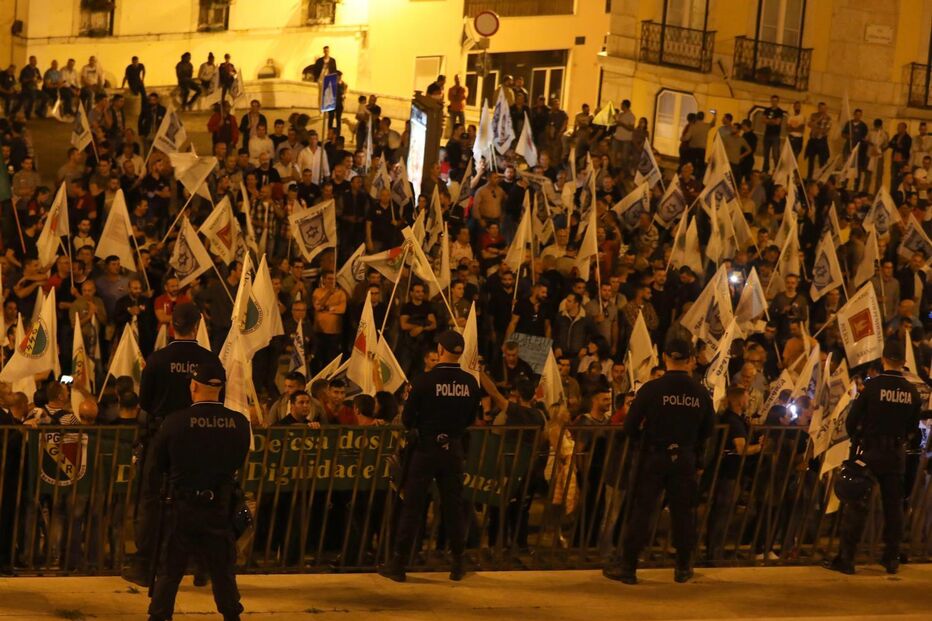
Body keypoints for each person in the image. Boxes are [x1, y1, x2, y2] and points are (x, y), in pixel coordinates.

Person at [125, 303, 223, 586]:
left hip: (164, 437)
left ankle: (145, 566)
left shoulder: (157, 360)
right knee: (203, 501)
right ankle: (202, 563)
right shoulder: (210, 361)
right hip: (202, 437)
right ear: (197, 325)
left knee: (153, 502)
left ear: (172, 326)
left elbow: (145, 403)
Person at [603, 337, 715, 585]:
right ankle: (683, 567)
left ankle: (629, 566)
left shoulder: (651, 390)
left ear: (665, 358)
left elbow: (630, 426)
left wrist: (645, 436)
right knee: (683, 513)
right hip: (685, 456)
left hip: (654, 455)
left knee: (642, 511)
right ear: (689, 360)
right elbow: (708, 429)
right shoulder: (700, 393)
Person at [146, 359, 250, 621]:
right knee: (223, 571)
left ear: (193, 386)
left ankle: (159, 617)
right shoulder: (239, 423)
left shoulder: (175, 422)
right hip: (219, 508)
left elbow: (159, 465)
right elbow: (238, 461)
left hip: (183, 507)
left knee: (170, 571)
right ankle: (231, 615)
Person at [379, 330, 481, 583]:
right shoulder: (470, 384)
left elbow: (407, 419)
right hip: (454, 449)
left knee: (412, 507)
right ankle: (458, 563)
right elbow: (470, 418)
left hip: (425, 449)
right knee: (453, 507)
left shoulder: (424, 381)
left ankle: (399, 563)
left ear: (440, 351)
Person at [824, 339, 921, 576]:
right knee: (894, 507)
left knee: (857, 503)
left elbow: (851, 421)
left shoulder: (873, 387)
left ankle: (847, 559)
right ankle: (891, 559)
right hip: (896, 454)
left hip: (870, 451)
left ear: (883, 359)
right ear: (904, 363)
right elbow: (912, 426)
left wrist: (859, 438)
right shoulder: (912, 392)